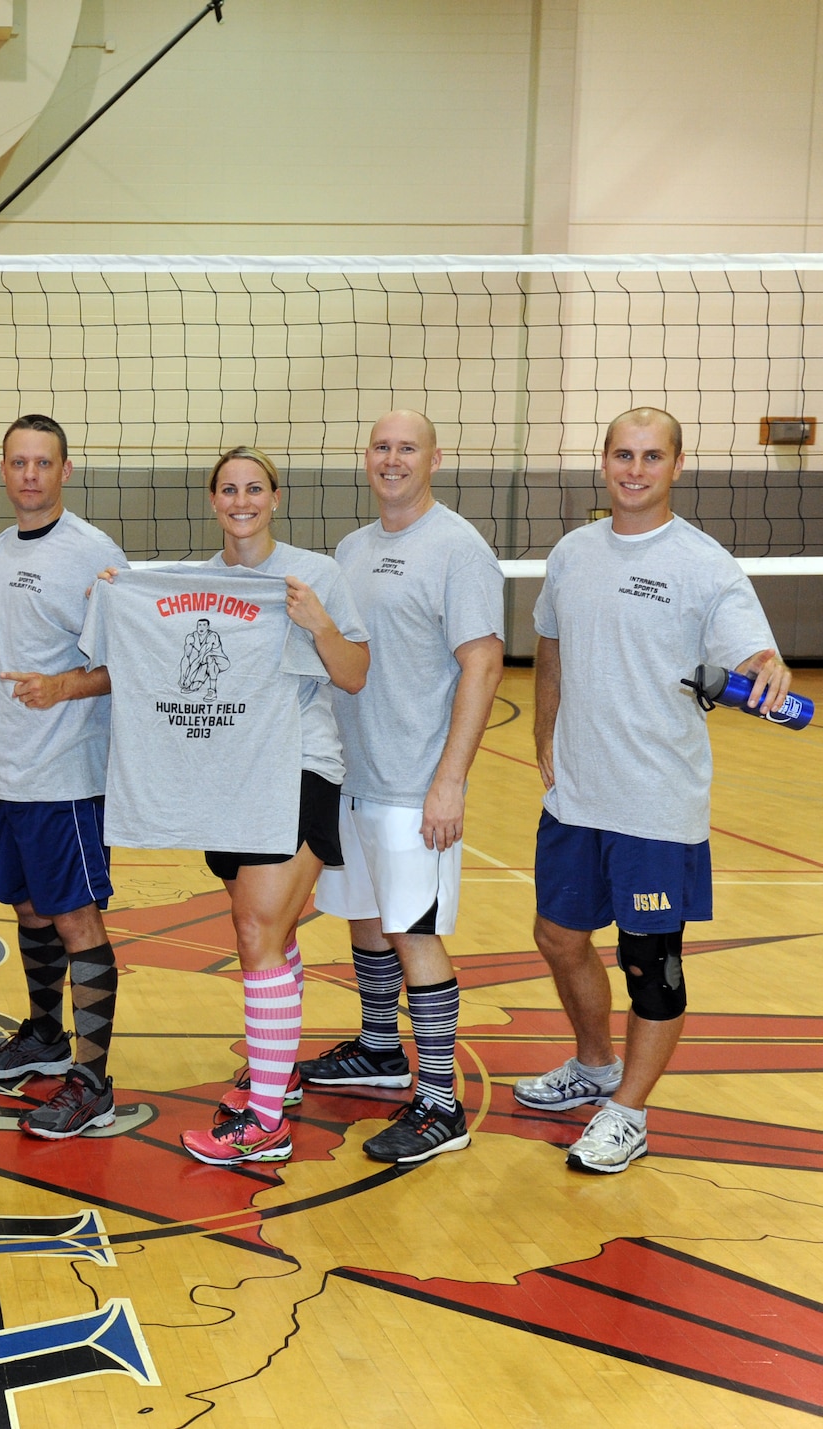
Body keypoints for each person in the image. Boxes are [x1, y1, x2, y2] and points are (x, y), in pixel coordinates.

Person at [519, 407, 789, 1174]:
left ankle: (629, 1112)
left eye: (651, 456)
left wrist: (768, 666)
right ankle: (595, 1065)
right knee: (558, 936)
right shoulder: (572, 552)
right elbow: (550, 638)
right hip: (577, 795)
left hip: (654, 802)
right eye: (623, 455)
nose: (634, 470)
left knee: (650, 963)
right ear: (603, 460)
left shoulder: (705, 564)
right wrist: (544, 726)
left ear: (677, 465)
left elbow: (754, 654)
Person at [305, 411, 504, 1164]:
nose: (393, 459)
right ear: (368, 457)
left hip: (414, 782)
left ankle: (441, 1103)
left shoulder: (459, 548)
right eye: (382, 447)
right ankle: (380, 1049)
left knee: (414, 932)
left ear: (435, 458)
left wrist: (449, 781)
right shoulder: (352, 549)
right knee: (364, 914)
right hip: (351, 774)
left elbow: (484, 663)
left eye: (407, 447)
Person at [182, 448, 369, 1166]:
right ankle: (277, 1075)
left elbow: (354, 675)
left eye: (254, 488)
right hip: (225, 774)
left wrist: (320, 623)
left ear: (275, 497)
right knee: (271, 928)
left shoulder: (315, 574)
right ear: (213, 500)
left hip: (298, 767)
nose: (242, 500)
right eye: (229, 489)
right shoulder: (195, 583)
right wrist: (116, 595)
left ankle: (264, 1123)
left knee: (256, 928)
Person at [0, 415, 127, 1139]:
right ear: (3, 470)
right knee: (29, 907)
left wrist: (64, 687)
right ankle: (44, 1035)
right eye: (18, 462)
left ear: (66, 470)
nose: (30, 475)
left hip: (66, 774)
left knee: (75, 917)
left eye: (43, 463)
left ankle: (92, 1083)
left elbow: (131, 659)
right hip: (4, 771)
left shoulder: (93, 553)